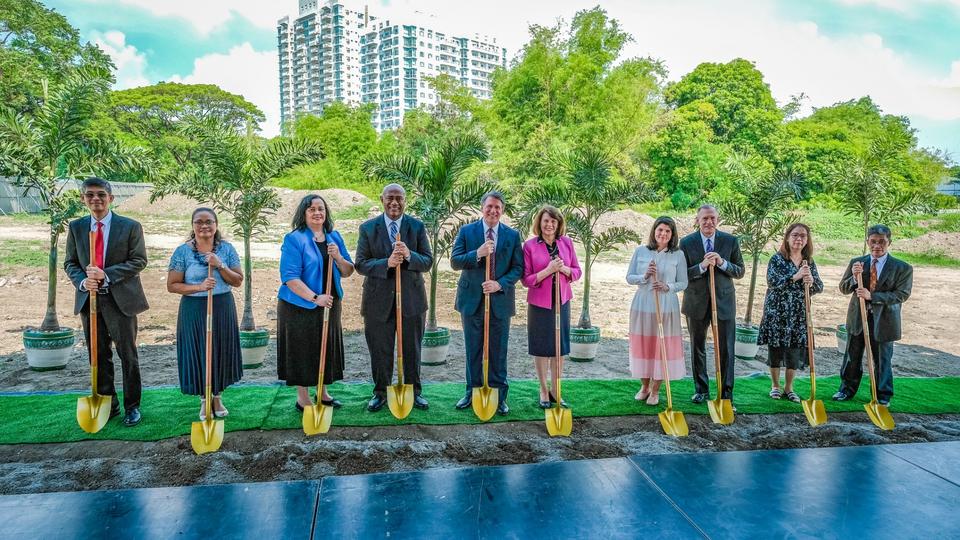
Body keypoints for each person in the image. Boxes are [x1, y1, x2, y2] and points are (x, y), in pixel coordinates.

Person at [64, 177, 149, 427]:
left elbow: (139, 261)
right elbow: (70, 262)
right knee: (98, 356)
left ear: (111, 198)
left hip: (120, 301)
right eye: (90, 195)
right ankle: (108, 403)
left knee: (128, 355)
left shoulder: (130, 226)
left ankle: (132, 406)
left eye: (101, 194)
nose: (95, 199)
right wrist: (83, 282)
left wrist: (107, 274)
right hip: (89, 301)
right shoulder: (77, 227)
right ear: (83, 199)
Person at [355, 184, 432, 412]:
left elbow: (427, 261)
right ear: (382, 199)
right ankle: (381, 391)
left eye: (399, 198)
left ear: (405, 201)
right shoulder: (368, 228)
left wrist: (409, 254)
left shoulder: (416, 227)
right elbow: (360, 263)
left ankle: (413, 391)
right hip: (377, 302)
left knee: (412, 349)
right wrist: (386, 263)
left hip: (412, 301)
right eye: (390, 198)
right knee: (380, 349)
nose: (394, 203)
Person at [277, 195, 355, 412]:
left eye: (321, 209)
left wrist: (338, 257)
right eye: (311, 209)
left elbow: (348, 270)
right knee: (303, 349)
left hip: (330, 302)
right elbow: (290, 277)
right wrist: (314, 297)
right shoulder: (294, 239)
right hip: (300, 305)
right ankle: (303, 398)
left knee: (325, 346)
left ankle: (323, 391)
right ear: (304, 213)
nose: (317, 213)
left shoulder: (334, 237)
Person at [450, 191, 524, 415]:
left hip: (500, 301)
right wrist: (477, 253)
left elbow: (518, 268)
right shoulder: (467, 231)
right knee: (473, 347)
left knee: (498, 349)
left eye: (498, 207)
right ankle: (472, 391)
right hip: (472, 300)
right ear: (482, 208)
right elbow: (454, 261)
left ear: (502, 210)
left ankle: (499, 395)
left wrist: (499, 284)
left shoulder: (512, 235)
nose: (493, 211)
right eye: (489, 206)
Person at [166, 208, 244, 419]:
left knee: (219, 349)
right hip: (194, 308)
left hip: (222, 306)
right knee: (200, 351)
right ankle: (204, 399)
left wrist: (220, 265)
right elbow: (172, 285)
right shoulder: (182, 252)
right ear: (192, 226)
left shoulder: (226, 249)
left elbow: (237, 280)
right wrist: (199, 287)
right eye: (199, 222)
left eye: (209, 221)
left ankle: (217, 397)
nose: (204, 226)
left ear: (216, 225)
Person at [833, 224, 913, 405]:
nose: (877, 246)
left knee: (882, 359)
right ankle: (846, 390)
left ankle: (882, 395)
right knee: (852, 356)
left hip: (884, 320)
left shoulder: (902, 267)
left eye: (882, 242)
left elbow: (902, 294)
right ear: (868, 242)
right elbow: (843, 288)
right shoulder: (858, 262)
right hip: (858, 318)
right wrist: (854, 277)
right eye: (873, 242)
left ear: (889, 242)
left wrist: (873, 296)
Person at [679, 204, 745, 405]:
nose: (709, 222)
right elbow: (681, 274)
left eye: (712, 218)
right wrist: (701, 266)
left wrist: (722, 263)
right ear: (697, 220)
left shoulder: (730, 241)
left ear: (718, 220)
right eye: (704, 218)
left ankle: (726, 393)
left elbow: (740, 271)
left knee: (726, 348)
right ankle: (701, 390)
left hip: (723, 303)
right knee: (697, 347)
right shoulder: (687, 242)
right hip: (696, 302)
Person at [521, 205, 581, 409]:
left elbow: (577, 271)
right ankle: (543, 389)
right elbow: (526, 279)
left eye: (553, 221)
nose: (549, 225)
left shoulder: (566, 242)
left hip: (561, 302)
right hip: (539, 304)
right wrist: (548, 270)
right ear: (540, 222)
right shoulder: (529, 246)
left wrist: (562, 268)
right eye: (546, 220)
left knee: (559, 347)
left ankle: (556, 389)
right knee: (542, 347)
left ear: (559, 224)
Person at [757, 223, 824, 403]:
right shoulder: (777, 259)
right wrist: (796, 276)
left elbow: (819, 287)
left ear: (807, 240)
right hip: (777, 312)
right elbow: (773, 283)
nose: (798, 239)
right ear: (787, 237)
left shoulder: (808, 262)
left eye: (803, 236)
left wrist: (810, 281)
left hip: (798, 314)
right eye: (795, 235)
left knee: (794, 352)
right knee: (776, 351)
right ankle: (775, 386)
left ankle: (789, 387)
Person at [626, 216, 688, 406]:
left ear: (672, 235)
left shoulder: (677, 255)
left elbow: (683, 282)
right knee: (644, 345)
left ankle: (655, 390)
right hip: (643, 304)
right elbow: (629, 277)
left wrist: (667, 285)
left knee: (661, 347)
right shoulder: (641, 251)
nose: (663, 234)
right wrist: (645, 276)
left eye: (667, 231)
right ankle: (644, 387)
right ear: (654, 231)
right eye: (660, 230)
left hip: (666, 305)